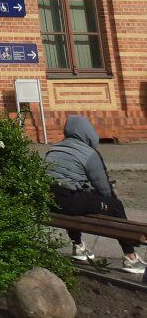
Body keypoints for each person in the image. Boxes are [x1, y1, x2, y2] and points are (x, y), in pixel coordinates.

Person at [47, 114, 145, 274]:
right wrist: (111, 197)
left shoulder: (55, 148)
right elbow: (103, 188)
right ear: (87, 132)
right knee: (114, 205)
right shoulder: (89, 153)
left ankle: (78, 246)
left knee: (78, 196)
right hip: (69, 202)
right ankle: (131, 257)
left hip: (49, 201)